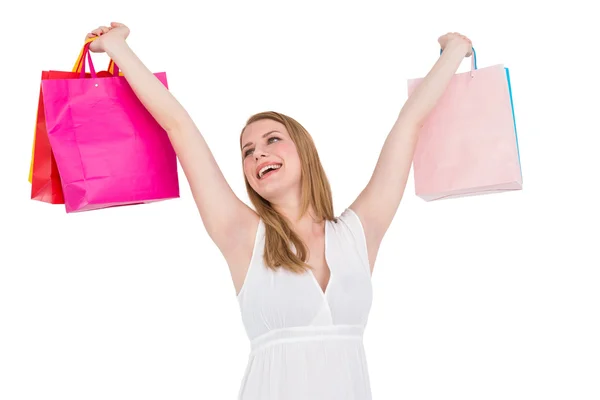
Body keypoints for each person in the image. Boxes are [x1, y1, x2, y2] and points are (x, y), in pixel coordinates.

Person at [84, 22, 473, 399]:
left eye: (272, 140)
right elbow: (180, 129)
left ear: (304, 152)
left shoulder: (358, 232)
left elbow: (409, 126)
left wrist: (454, 50)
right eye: (248, 151)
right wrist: (119, 48)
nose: (259, 154)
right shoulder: (242, 235)